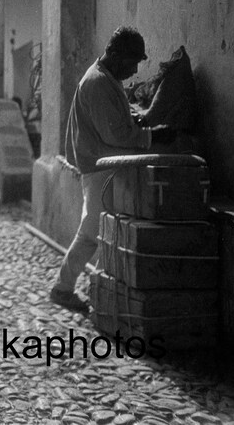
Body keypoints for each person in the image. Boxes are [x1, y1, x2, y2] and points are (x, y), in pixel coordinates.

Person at [49, 26, 175, 312]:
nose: (133, 71)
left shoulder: (106, 78)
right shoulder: (97, 82)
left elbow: (114, 120)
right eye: (132, 64)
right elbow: (114, 135)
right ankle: (62, 287)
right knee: (92, 231)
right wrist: (153, 135)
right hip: (100, 168)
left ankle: (102, 290)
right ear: (116, 56)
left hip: (107, 165)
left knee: (106, 230)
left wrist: (136, 119)